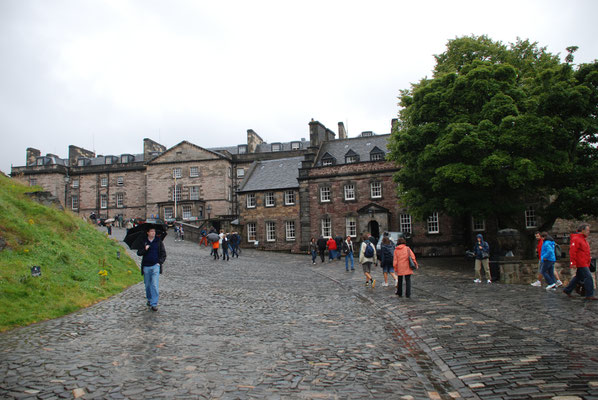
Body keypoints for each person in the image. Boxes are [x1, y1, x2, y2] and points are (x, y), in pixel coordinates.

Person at [137, 227, 166, 311]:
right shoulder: (144, 241)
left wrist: (159, 262)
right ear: (148, 233)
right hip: (146, 266)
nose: (153, 233)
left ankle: (154, 303)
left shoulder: (158, 241)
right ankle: (149, 299)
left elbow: (163, 254)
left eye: (154, 231)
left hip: (155, 266)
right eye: (151, 231)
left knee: (154, 285)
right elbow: (139, 253)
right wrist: (144, 249)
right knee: (148, 285)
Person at [563, 224, 596, 300]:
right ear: (582, 230)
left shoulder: (583, 239)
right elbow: (572, 251)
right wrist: (573, 263)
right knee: (588, 277)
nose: (589, 232)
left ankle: (567, 290)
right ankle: (589, 294)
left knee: (578, 277)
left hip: (584, 262)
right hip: (581, 262)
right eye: (587, 230)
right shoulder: (577, 239)